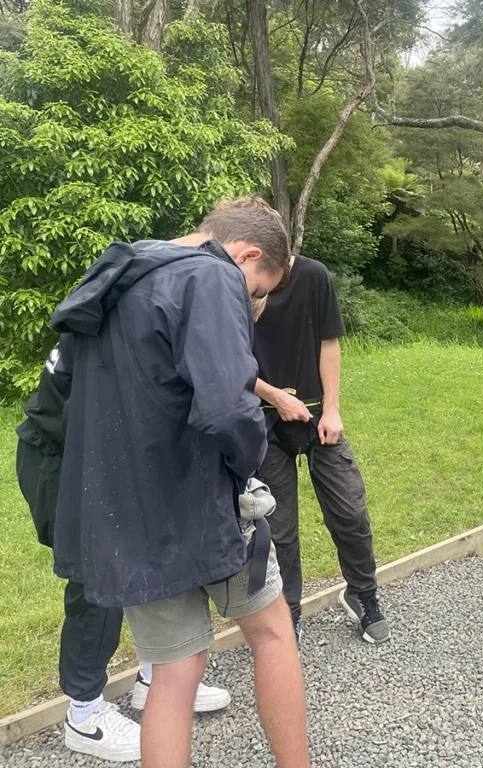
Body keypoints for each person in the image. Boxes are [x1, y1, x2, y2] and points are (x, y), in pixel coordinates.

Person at [49, 205, 311, 767]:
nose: (251, 300)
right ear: (247, 255)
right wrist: (249, 466)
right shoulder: (211, 275)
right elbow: (227, 408)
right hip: (204, 500)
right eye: (256, 289)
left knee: (174, 671)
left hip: (128, 513)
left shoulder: (116, 280)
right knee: (271, 633)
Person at [15, 335, 234, 762]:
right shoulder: (116, 317)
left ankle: (154, 677)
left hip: (97, 447)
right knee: (97, 573)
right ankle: (84, 715)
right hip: (61, 454)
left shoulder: (135, 308)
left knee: (146, 551)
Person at [252, 247, 390, 644]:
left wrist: (331, 409)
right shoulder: (238, 282)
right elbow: (229, 362)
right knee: (278, 529)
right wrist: (275, 397)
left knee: (350, 510)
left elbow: (329, 343)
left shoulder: (314, 276)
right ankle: (287, 613)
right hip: (264, 419)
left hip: (317, 416)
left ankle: (362, 594)